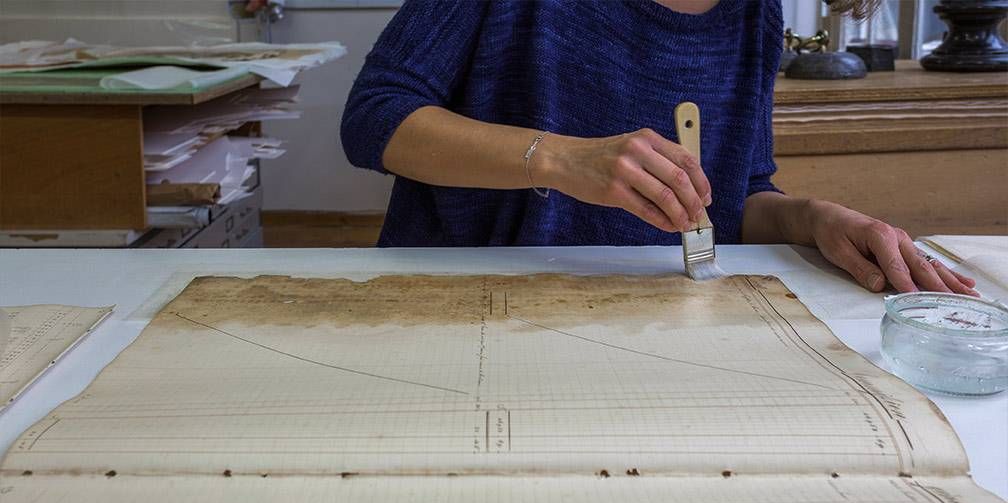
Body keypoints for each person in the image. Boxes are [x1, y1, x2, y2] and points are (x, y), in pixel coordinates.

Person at [336, 0, 976, 296]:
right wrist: (562, 159)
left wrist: (810, 219)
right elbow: (373, 116)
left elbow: (734, 192)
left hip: (634, 317)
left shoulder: (755, 12)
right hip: (463, 305)